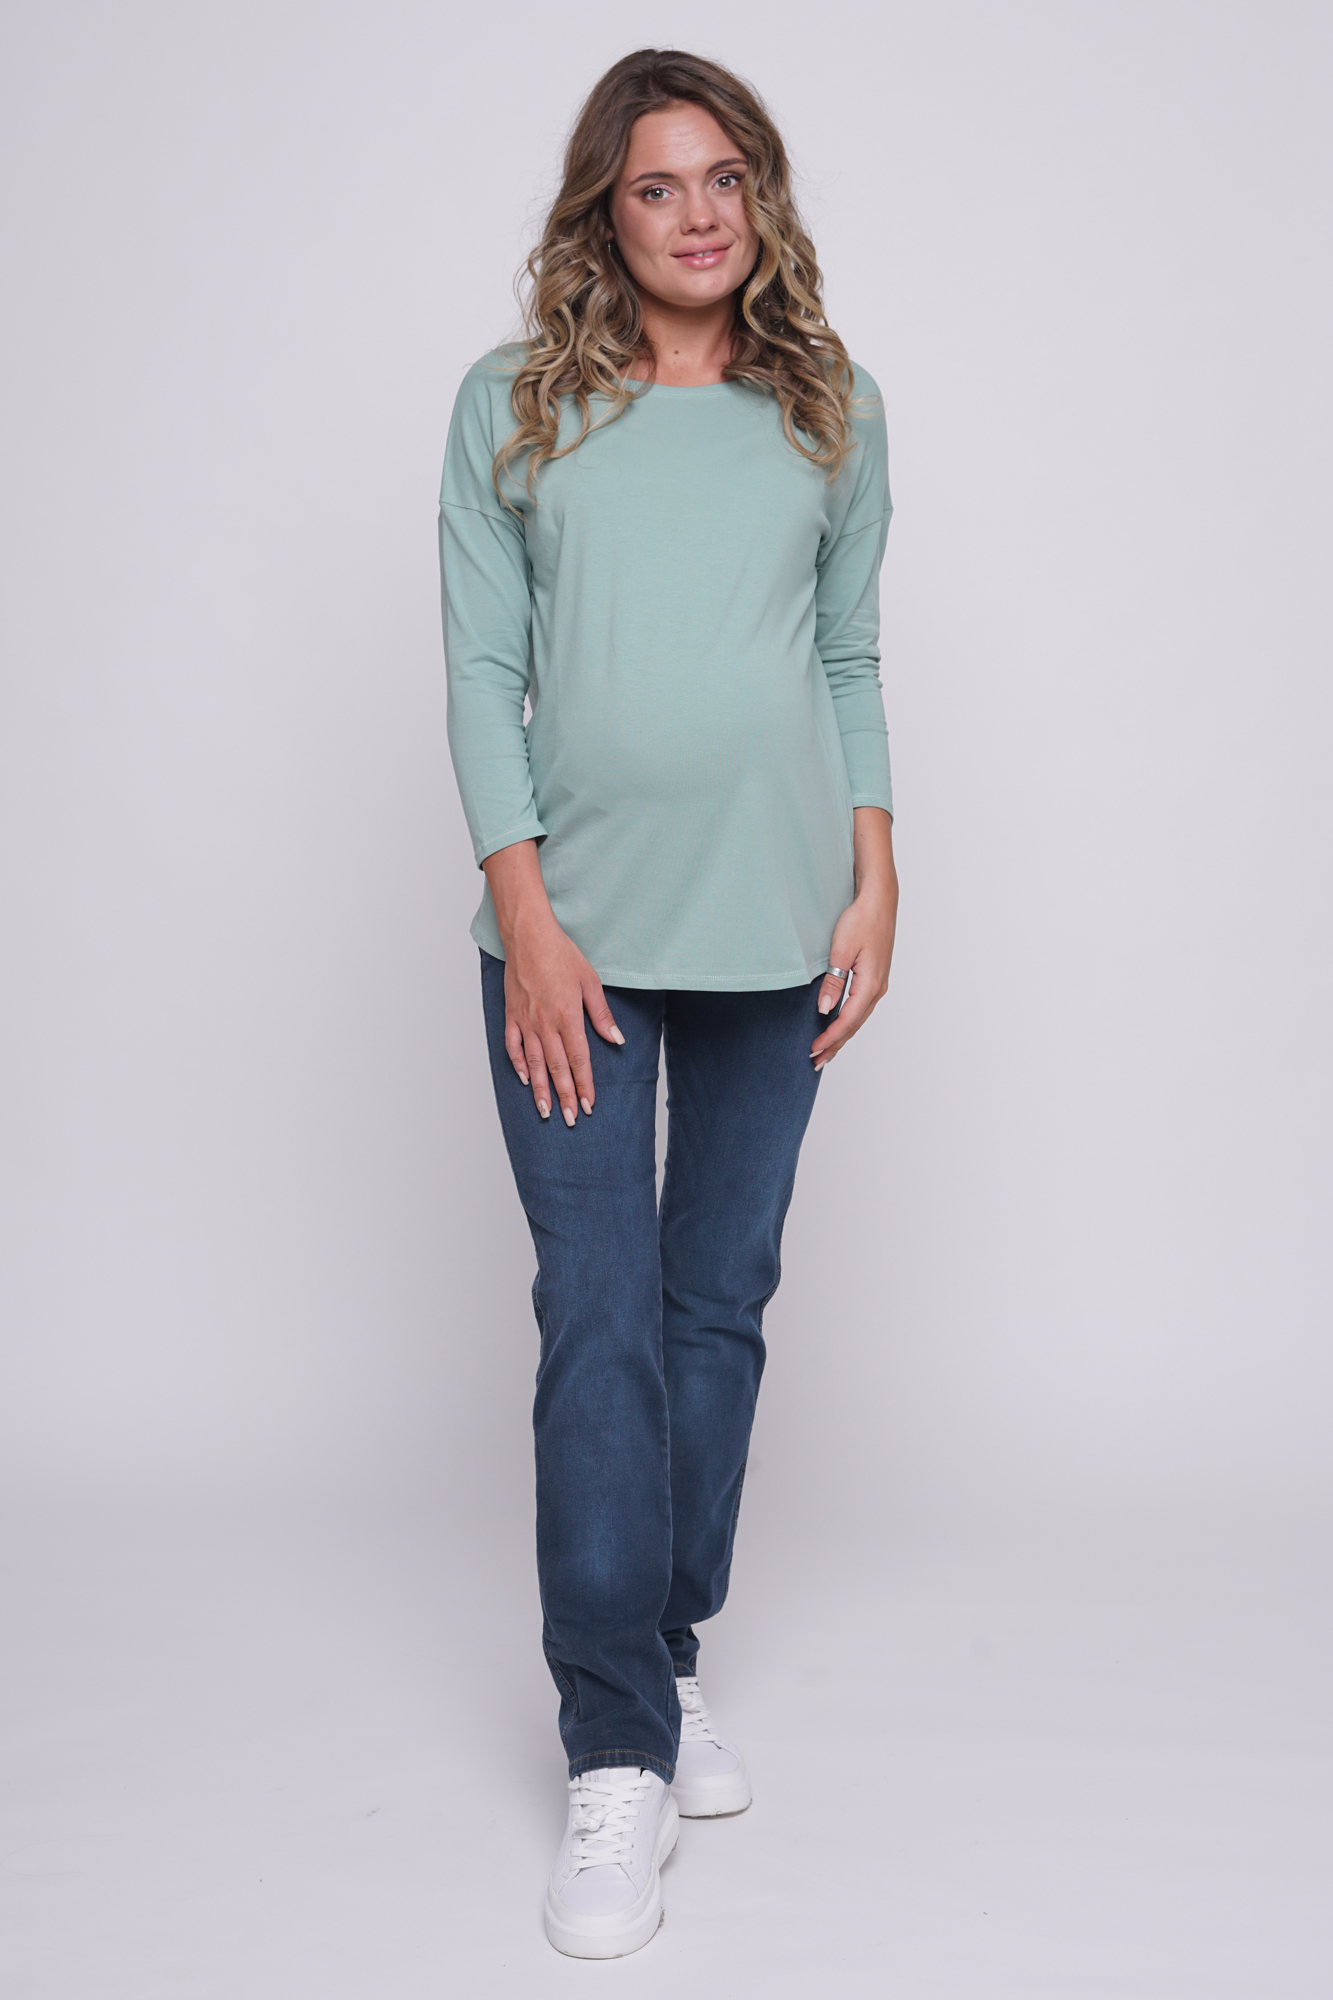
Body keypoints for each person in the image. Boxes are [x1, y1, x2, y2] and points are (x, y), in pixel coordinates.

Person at [438, 47, 898, 1959]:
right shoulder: (515, 404)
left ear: (759, 197)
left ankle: (661, 1640)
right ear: (602, 214)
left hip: (776, 928)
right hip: (574, 945)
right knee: (600, 1321)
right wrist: (527, 916)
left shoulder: (829, 408)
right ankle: (614, 1742)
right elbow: (481, 669)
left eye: (725, 178)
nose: (697, 214)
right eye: (655, 185)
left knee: (717, 1310)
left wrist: (877, 869)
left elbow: (847, 655)